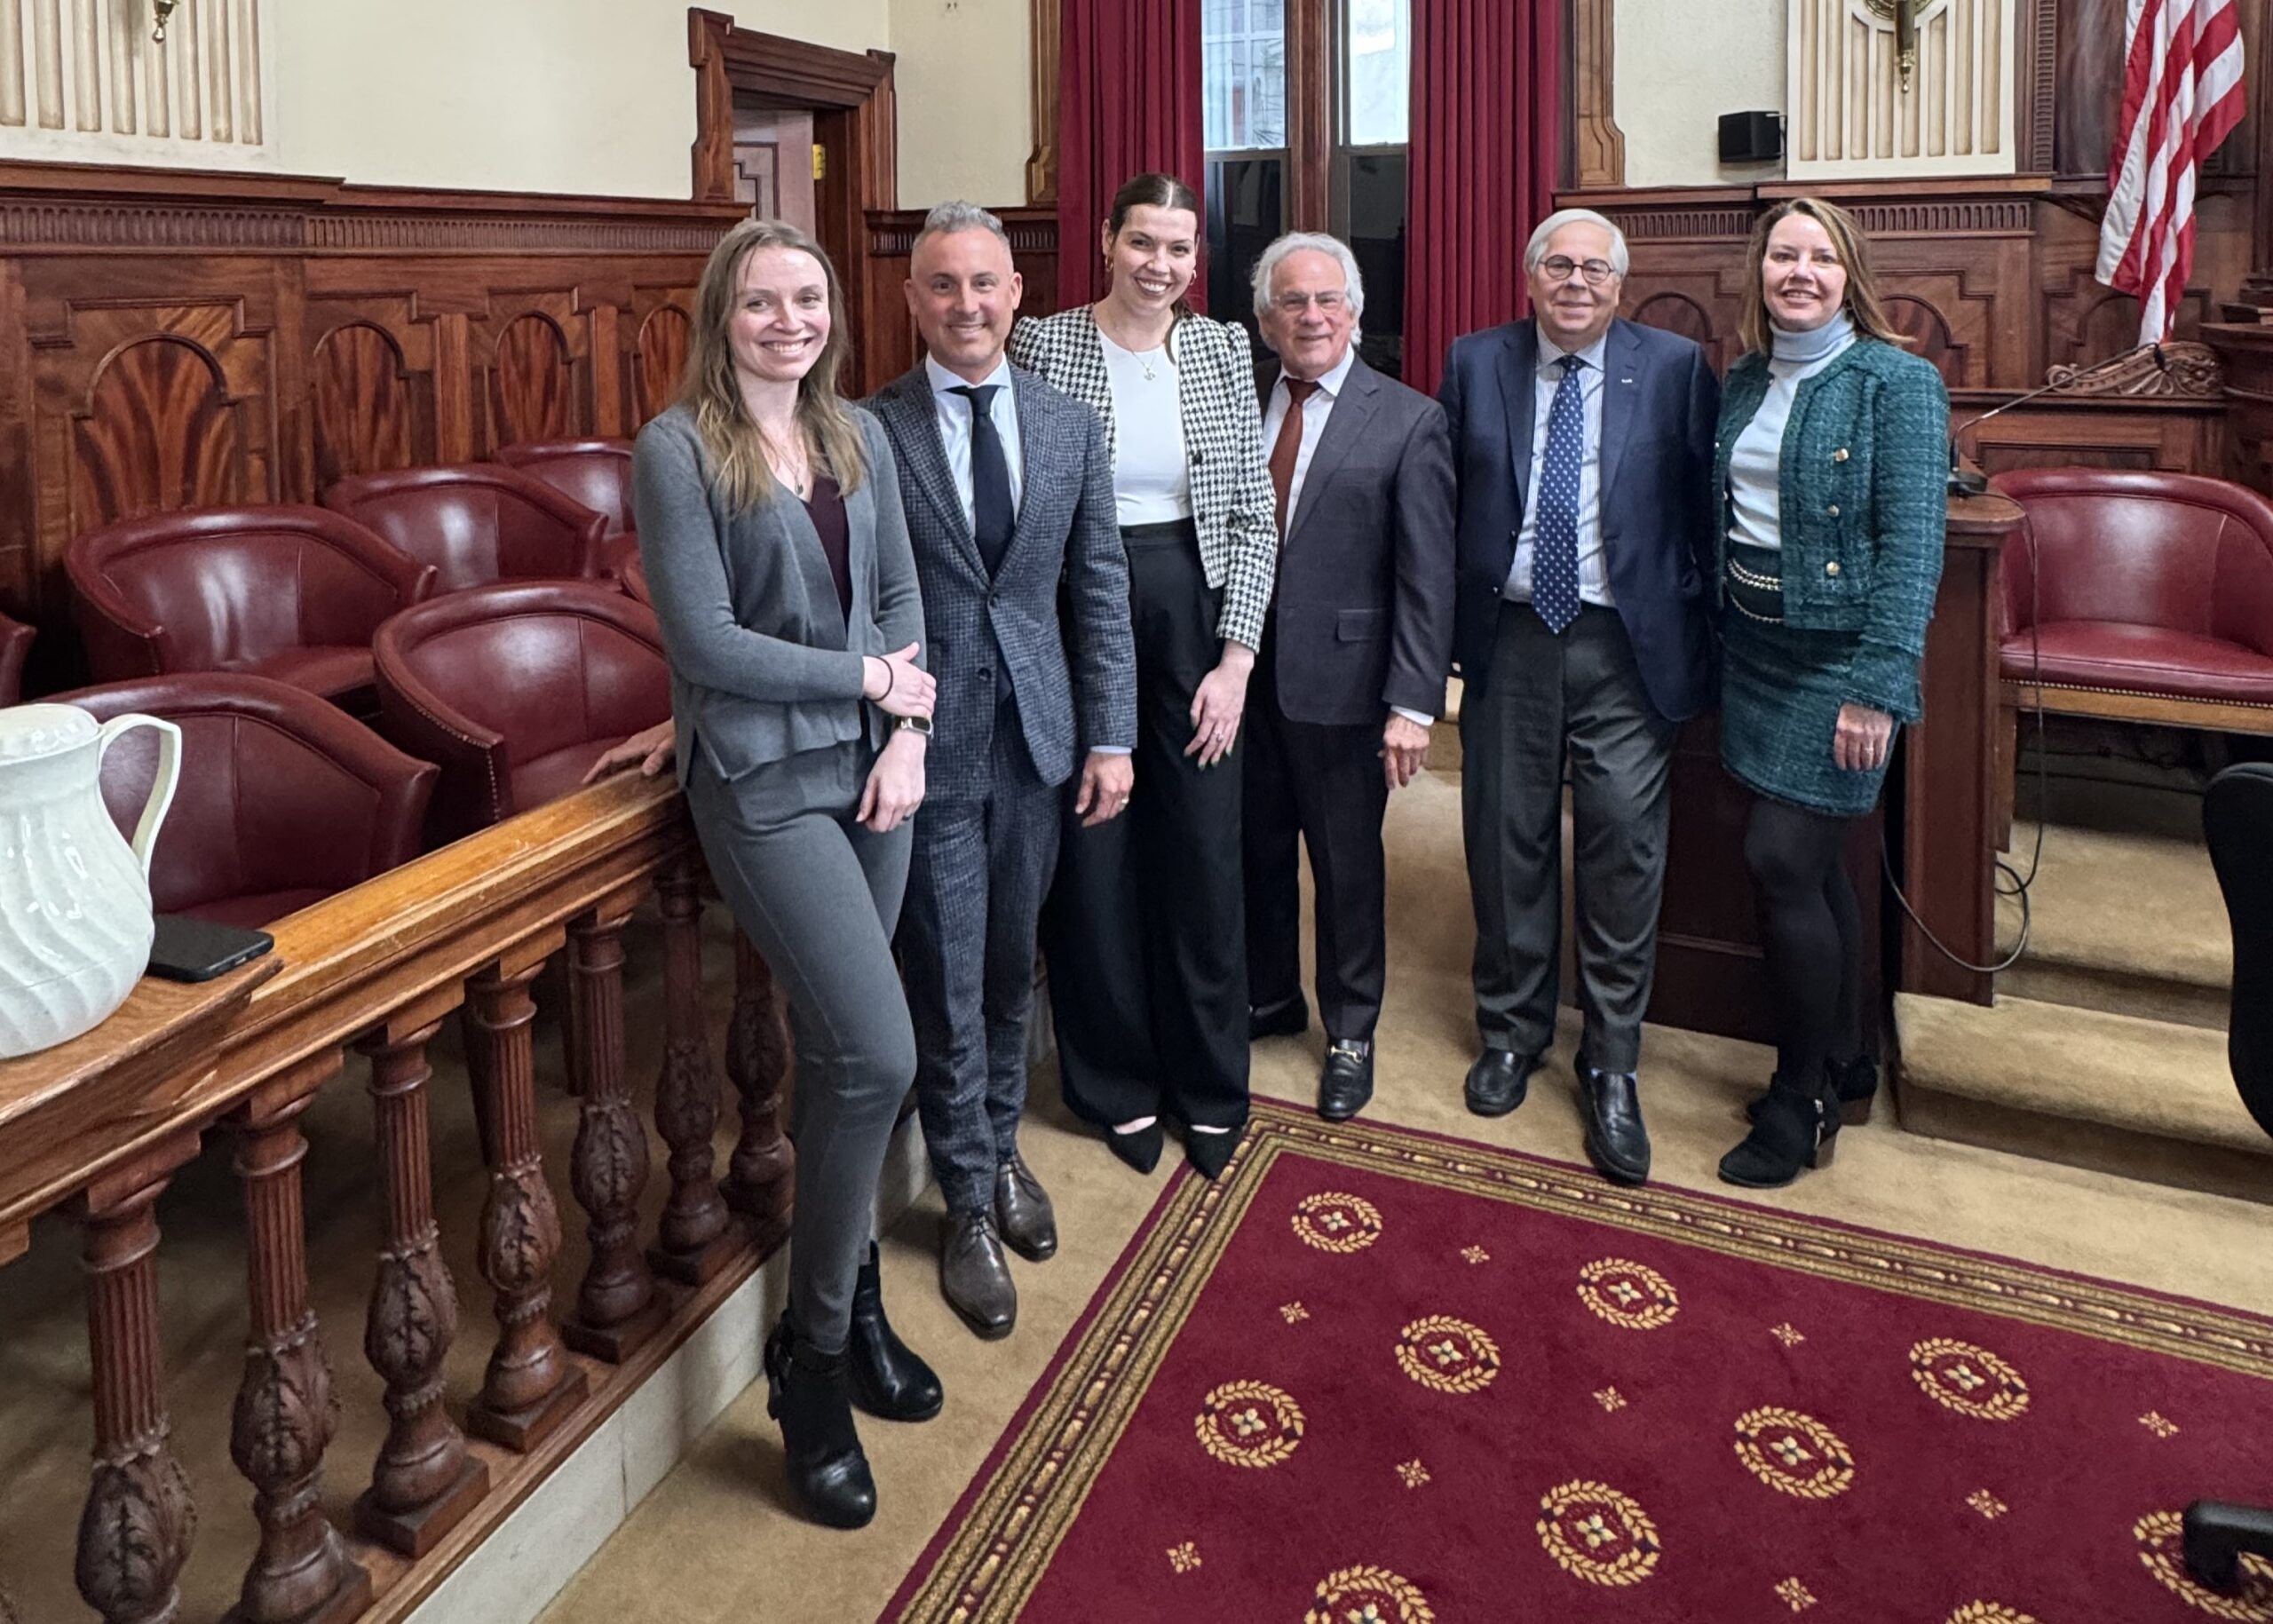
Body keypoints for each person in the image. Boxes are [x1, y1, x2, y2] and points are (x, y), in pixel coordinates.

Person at [630, 218, 938, 1531]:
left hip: (879, 777)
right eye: (762, 303)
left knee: (836, 1065)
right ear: (722, 315)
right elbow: (704, 642)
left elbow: (909, 600)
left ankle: (852, 1301)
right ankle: (809, 1369)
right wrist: (869, 678)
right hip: (762, 780)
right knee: (879, 1055)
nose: (790, 321)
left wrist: (911, 730)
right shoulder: (677, 448)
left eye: (808, 299)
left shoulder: (857, 431)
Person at [867, 202, 1136, 1338]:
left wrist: (1113, 733)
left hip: (1039, 737)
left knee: (1011, 962)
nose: (965, 305)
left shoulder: (1071, 423)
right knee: (947, 972)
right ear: (913, 299)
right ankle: (967, 1198)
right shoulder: (867, 430)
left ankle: (1005, 1151)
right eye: (942, 285)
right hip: (923, 747)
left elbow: (1100, 587)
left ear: (1016, 294)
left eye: (984, 283)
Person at [1007, 172, 1278, 1181]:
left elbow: (1252, 514)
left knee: (1205, 854)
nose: (1160, 265)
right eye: (1143, 243)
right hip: (1078, 605)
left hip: (1195, 605)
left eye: (1179, 247)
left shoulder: (1218, 346)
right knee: (1098, 853)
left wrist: (1237, 661)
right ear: (1107, 243)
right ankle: (1114, 1081)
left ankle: (1210, 1082)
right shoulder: (1044, 342)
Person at [1440, 207, 1719, 1188]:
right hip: (1511, 638)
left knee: (1620, 851)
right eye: (1557, 264)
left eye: (1595, 269)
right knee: (1505, 838)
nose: (1575, 282)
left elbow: (1703, 508)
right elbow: (1447, 507)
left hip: (1625, 644)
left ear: (1619, 284)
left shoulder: (1677, 367)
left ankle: (1611, 1060)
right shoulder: (1474, 362)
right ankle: (1511, 1032)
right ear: (1528, 278)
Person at [1712, 196, 1947, 1188]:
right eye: (1782, 255)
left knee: (1780, 859)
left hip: (1838, 667)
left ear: (1851, 274)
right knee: (1817, 874)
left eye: (1819, 257)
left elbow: (1913, 545)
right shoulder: (1743, 380)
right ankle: (1848, 1058)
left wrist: (1878, 687)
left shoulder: (1897, 382)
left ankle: (1799, 1095)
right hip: (1752, 658)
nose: (1798, 271)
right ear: (1759, 271)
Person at [1243, 231, 1453, 1121]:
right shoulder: (1232, 401)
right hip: (1239, 683)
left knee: (1345, 867)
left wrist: (1413, 702)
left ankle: (1352, 1026)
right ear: (1264, 320)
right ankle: (1266, 996)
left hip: (1348, 686)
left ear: (1356, 316)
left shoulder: (1408, 417)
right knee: (1250, 856)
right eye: (1292, 301)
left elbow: (1426, 573)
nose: (1312, 316)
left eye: (1328, 300)